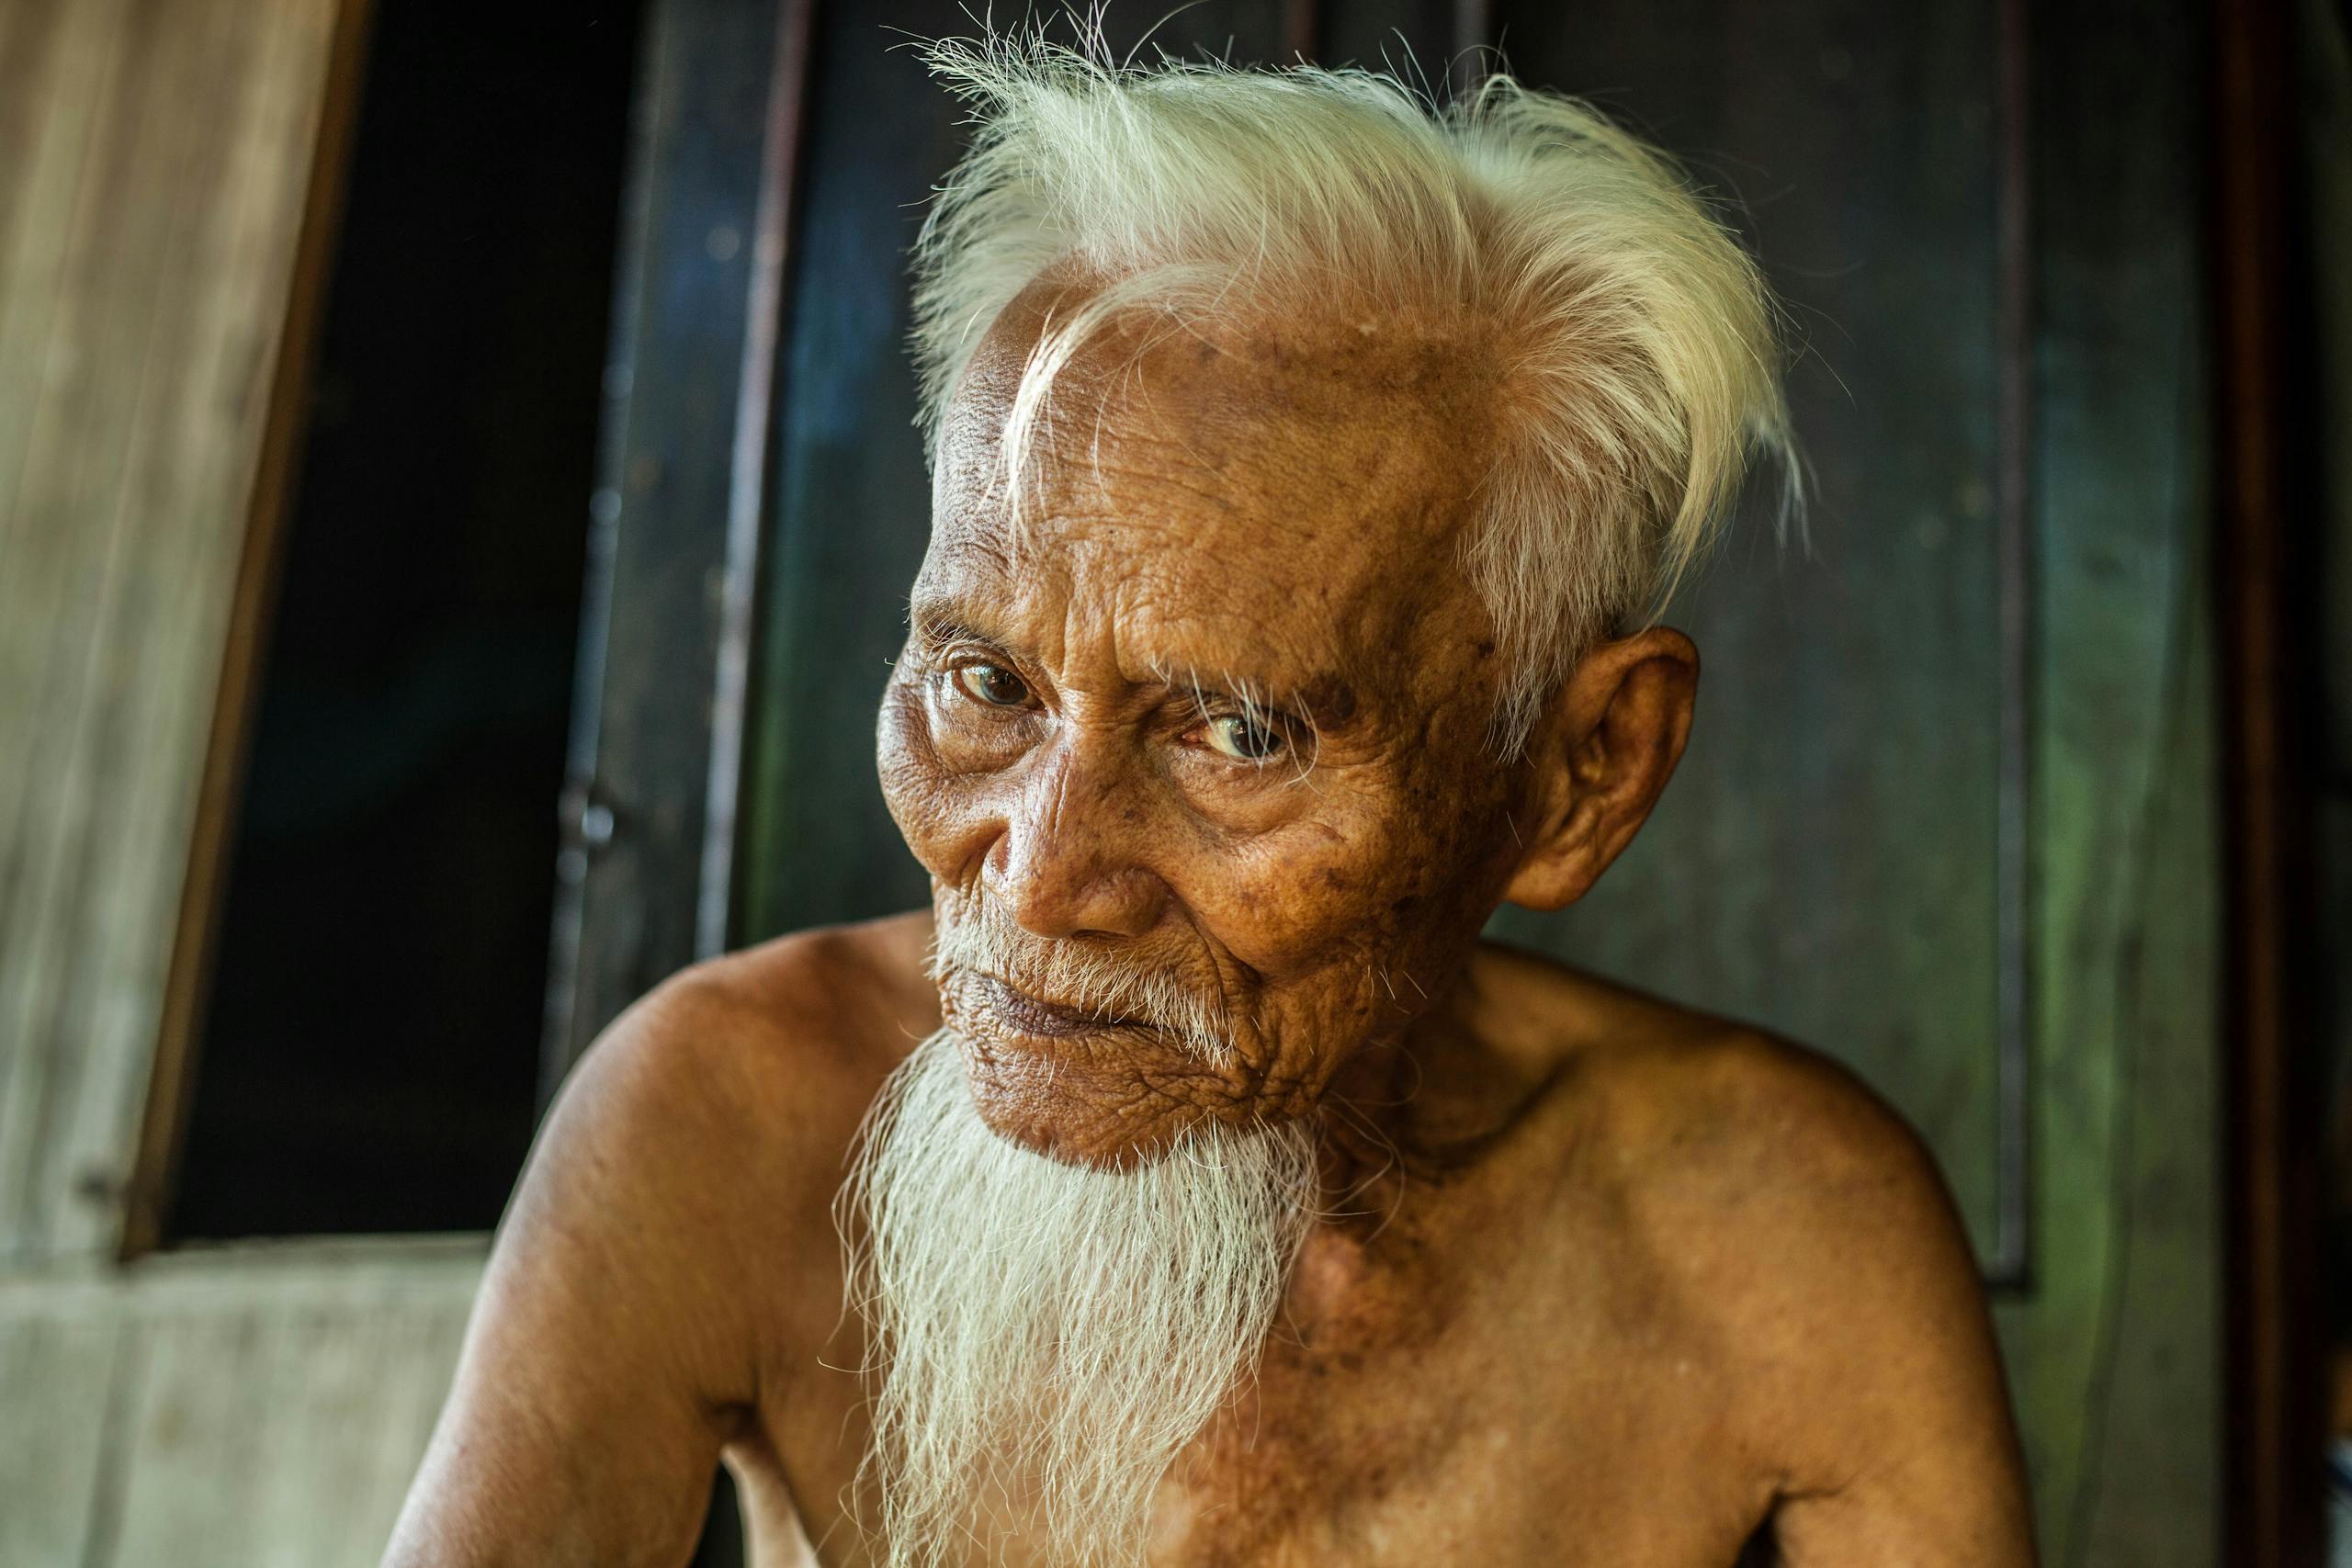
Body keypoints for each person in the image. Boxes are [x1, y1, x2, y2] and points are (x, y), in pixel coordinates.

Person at [385, 34, 2037, 1568]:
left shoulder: (1778, 1236)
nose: (1036, 881)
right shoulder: (724, 1123)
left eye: (1240, 738)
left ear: (1581, 773)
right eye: (986, 685)